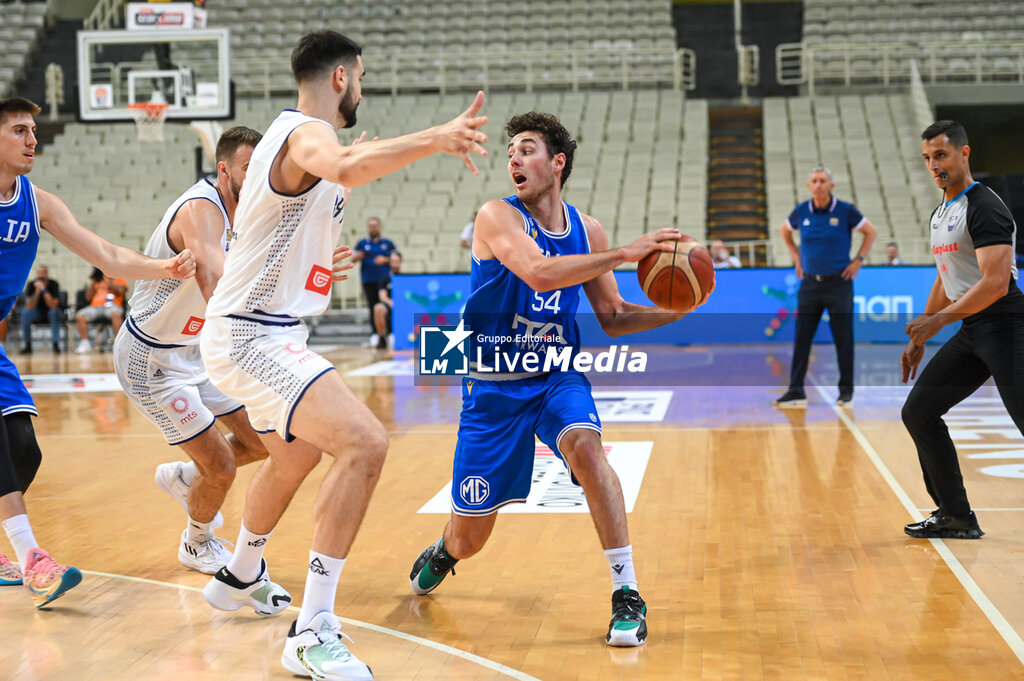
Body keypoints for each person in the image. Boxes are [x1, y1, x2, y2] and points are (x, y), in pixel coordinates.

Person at [198, 30, 487, 680]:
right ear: (339, 78)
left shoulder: (308, 143)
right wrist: (437, 136)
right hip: (250, 334)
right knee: (364, 441)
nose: (363, 86)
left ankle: (240, 569)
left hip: (269, 327)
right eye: (360, 75)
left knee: (295, 454)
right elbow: (348, 166)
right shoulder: (304, 135)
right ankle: (312, 629)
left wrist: (314, 263)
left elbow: (301, 206)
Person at [408, 111, 704, 649]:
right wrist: (622, 254)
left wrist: (677, 311)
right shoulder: (496, 216)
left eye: (527, 149)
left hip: (556, 376)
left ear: (557, 162)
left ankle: (626, 593)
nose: (513, 159)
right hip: (493, 388)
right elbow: (539, 271)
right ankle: (446, 550)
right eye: (511, 151)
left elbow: (612, 317)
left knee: (590, 453)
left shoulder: (587, 230)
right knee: (471, 538)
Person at [0, 96, 195, 607]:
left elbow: (105, 254)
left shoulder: (38, 202)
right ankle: (33, 558)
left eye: (33, 131)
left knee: (24, 449)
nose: (32, 140)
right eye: (19, 130)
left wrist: (167, 268)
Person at [112, 126, 274, 574]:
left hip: (196, 351)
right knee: (221, 466)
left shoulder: (249, 207)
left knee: (262, 442)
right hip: (152, 359)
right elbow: (213, 284)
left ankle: (186, 477)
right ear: (224, 170)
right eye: (248, 167)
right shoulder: (202, 209)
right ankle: (196, 543)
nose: (258, 175)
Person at [900, 120, 1023, 540]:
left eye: (941, 155)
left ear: (963, 154)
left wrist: (940, 319)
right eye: (928, 158)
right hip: (973, 327)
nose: (934, 165)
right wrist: (922, 333)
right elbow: (945, 278)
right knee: (918, 411)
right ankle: (956, 515)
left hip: (1006, 323)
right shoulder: (940, 214)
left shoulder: (985, 205)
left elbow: (995, 282)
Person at [775, 166, 877, 407]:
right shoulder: (802, 211)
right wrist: (797, 258)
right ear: (809, 187)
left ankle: (846, 391)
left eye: (823, 181)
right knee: (802, 338)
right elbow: (784, 230)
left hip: (839, 284)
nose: (818, 185)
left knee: (843, 338)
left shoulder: (845, 211)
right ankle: (796, 390)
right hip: (810, 284)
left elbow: (870, 231)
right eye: (814, 181)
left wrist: (859, 260)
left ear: (831, 185)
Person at [353, 216, 396, 347]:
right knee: (372, 307)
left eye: (375, 226)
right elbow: (353, 259)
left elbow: (396, 258)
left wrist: (385, 260)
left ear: (380, 227)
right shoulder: (362, 244)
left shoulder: (388, 244)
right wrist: (358, 256)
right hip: (368, 280)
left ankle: (390, 332)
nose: (373, 228)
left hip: (384, 282)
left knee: (387, 306)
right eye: (371, 226)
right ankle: (376, 333)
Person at [74, 267, 127, 353]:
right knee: (80, 315)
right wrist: (93, 280)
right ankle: (85, 343)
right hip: (96, 307)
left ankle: (118, 343)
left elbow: (122, 291)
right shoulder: (96, 281)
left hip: (112, 306)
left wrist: (108, 280)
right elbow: (88, 297)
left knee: (116, 314)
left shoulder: (118, 278)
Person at [18, 265, 62, 354]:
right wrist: (37, 292)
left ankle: (55, 344)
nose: (41, 275)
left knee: (54, 312)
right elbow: (29, 306)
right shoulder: (31, 284)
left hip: (51, 313)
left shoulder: (54, 284)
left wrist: (44, 290)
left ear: (47, 274)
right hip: (37, 313)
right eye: (39, 273)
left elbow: (53, 305)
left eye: (44, 272)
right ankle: (27, 345)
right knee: (25, 313)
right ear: (36, 274)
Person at [372, 250, 402, 350]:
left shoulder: (405, 278)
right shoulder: (385, 279)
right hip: (390, 305)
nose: (395, 264)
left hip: (404, 305)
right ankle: (382, 337)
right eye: (393, 261)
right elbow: (382, 296)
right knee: (378, 308)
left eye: (397, 261)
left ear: (401, 262)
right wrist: (391, 303)